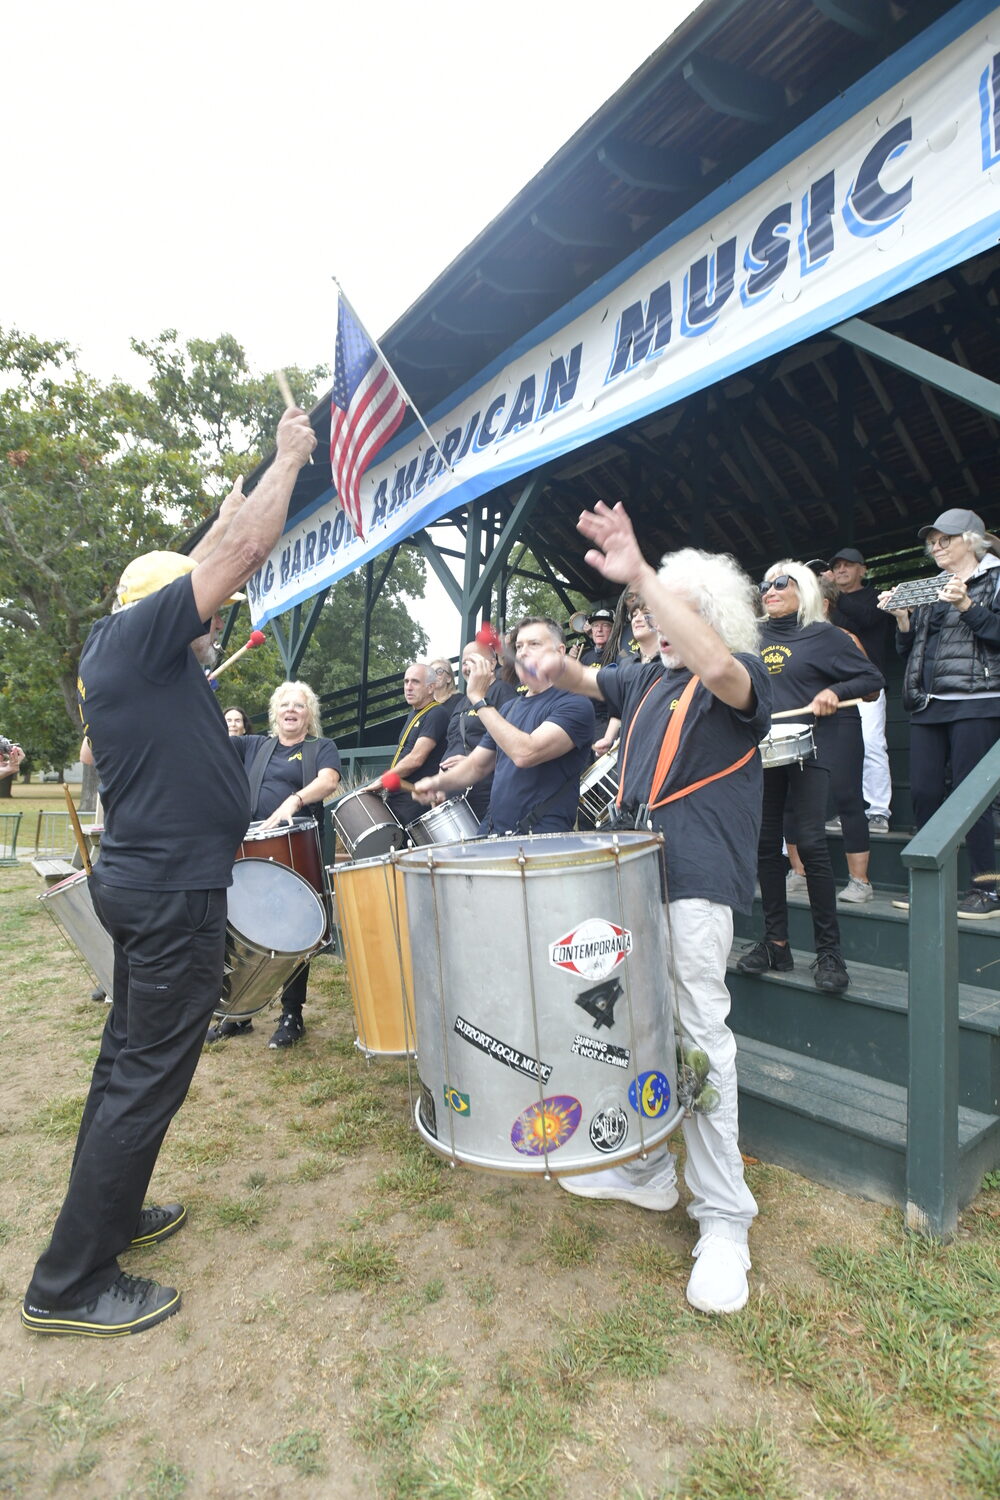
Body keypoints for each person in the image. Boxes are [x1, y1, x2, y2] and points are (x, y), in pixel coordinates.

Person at [20, 406, 317, 1340]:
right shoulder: (132, 643)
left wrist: (230, 532)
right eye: (206, 609)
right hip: (167, 897)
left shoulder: (151, 665)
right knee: (145, 1079)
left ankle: (109, 1221)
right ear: (163, 606)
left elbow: (232, 551)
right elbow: (234, 553)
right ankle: (68, 1284)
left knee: (129, 1070)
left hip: (161, 888)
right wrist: (290, 458)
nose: (217, 621)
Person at [526, 502, 771, 1316]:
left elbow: (716, 662)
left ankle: (725, 1219)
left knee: (701, 1040)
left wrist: (644, 577)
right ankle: (649, 1168)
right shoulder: (645, 679)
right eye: (650, 611)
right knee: (635, 1031)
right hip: (632, 879)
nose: (655, 621)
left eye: (676, 607)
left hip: (695, 880)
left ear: (710, 616)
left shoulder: (741, 673)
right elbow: (583, 678)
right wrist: (543, 660)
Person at [738, 561, 884, 994]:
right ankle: (776, 943)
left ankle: (829, 952)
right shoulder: (752, 637)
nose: (770, 589)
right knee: (766, 847)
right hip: (764, 753)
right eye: (765, 584)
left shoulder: (826, 636)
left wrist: (832, 692)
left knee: (812, 843)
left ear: (802, 589)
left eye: (781, 582)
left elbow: (872, 679)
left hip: (812, 747)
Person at [208, 680, 341, 1046]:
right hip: (248, 849)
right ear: (275, 713)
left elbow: (329, 781)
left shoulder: (320, 748)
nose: (291, 710)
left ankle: (292, 1015)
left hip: (294, 848)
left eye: (299, 705)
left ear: (308, 713)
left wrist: (294, 801)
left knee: (295, 931)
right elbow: (208, 739)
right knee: (242, 927)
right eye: (285, 705)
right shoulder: (254, 746)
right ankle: (240, 1012)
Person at [881, 508, 1000, 919]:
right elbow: (912, 651)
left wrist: (968, 605)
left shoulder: (997, 578)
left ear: (972, 538)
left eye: (944, 539)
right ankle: (935, 886)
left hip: (978, 700)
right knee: (927, 792)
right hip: (929, 704)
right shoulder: (930, 589)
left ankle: (987, 888)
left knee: (971, 796)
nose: (936, 547)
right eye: (932, 541)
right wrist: (902, 623)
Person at [414, 617, 595, 835]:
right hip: (492, 831)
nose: (523, 652)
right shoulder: (508, 708)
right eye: (519, 646)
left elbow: (526, 753)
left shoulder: (575, 703)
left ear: (559, 651)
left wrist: (478, 699)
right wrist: (437, 782)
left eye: (534, 644)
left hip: (541, 839)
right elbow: (476, 766)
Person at [785, 577, 875, 904]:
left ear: (823, 605)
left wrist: (836, 692)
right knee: (789, 800)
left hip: (840, 724)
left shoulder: (843, 637)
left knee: (846, 795)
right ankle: (798, 872)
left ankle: (860, 881)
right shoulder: (787, 641)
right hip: (797, 727)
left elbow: (872, 688)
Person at [829, 547, 894, 834]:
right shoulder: (829, 605)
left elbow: (868, 620)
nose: (841, 570)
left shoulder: (876, 597)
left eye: (848, 565)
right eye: (837, 566)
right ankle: (849, 810)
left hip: (868, 685)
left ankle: (878, 812)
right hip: (836, 688)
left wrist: (836, 595)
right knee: (843, 752)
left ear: (863, 569)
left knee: (872, 745)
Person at [439, 638, 518, 820]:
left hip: (485, 794)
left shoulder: (502, 692)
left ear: (491, 664)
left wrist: (471, 762)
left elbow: (512, 744)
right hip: (454, 796)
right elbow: (453, 745)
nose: (467, 667)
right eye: (464, 662)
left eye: (473, 660)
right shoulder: (462, 701)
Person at [367, 663, 452, 831]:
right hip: (398, 799)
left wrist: (383, 780)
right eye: (406, 682)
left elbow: (416, 759)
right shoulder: (414, 713)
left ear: (430, 688)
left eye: (415, 682)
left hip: (415, 804)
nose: (408, 687)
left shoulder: (436, 713)